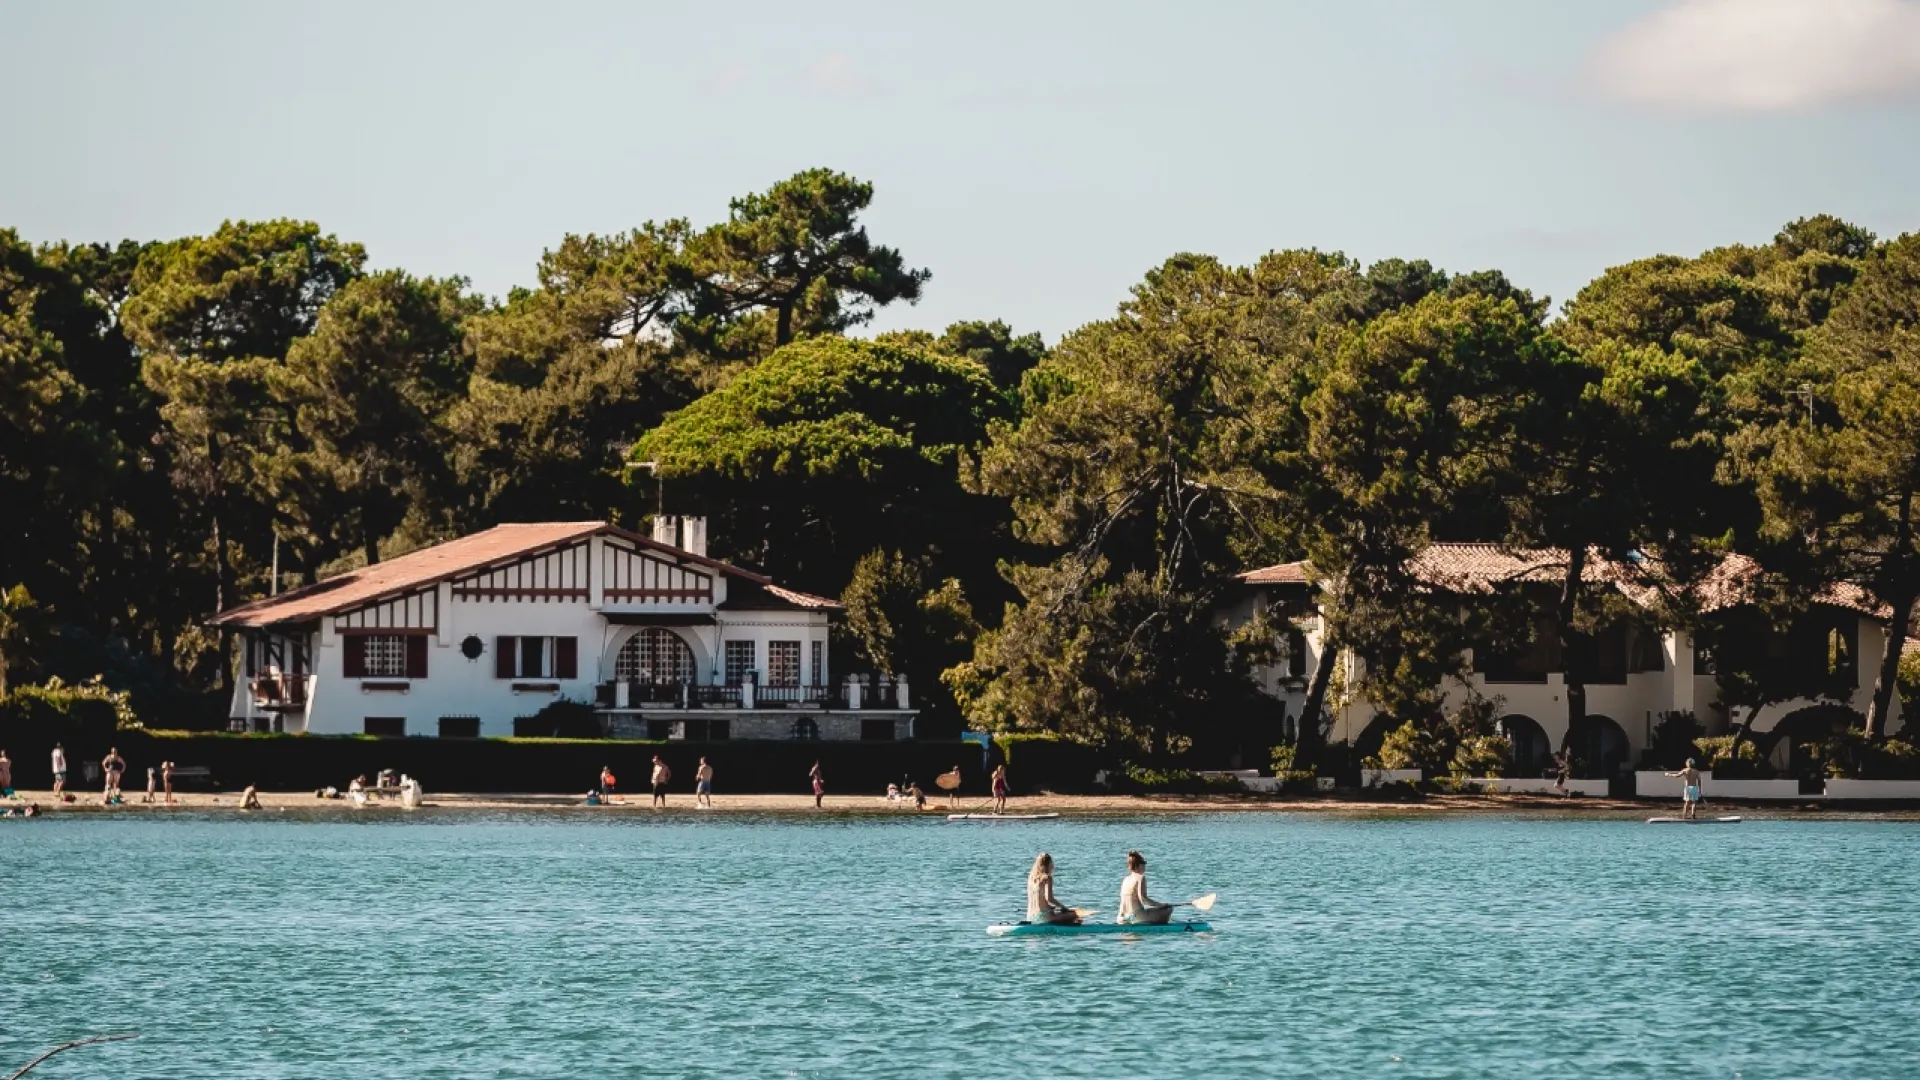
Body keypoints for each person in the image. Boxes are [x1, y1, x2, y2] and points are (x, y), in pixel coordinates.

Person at [1118, 850, 1173, 926]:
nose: (1145, 865)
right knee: (1168, 909)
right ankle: (1162, 927)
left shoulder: (1125, 879)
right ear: (1137, 865)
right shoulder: (1140, 878)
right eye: (1143, 863)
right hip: (1137, 918)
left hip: (1121, 918)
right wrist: (1161, 905)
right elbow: (1144, 899)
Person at [1026, 852, 1079, 925]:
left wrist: (1050, 907)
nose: (1053, 866)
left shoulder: (1031, 878)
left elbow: (1039, 900)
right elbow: (1049, 899)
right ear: (1047, 865)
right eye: (1051, 864)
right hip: (1044, 918)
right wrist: (1063, 907)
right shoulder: (1047, 878)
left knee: (1062, 914)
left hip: (1030, 917)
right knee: (1075, 915)